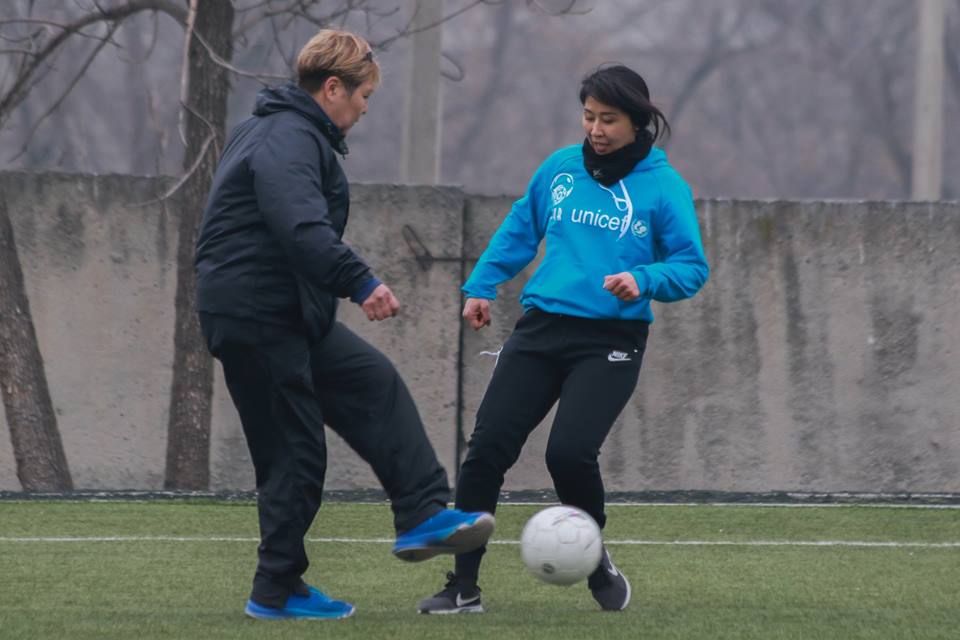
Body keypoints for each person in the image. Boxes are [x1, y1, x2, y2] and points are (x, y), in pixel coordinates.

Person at [194, 29, 494, 621]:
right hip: (257, 315)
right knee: (295, 454)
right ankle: (275, 589)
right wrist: (360, 281)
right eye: (363, 96)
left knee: (372, 383)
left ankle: (423, 514)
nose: (364, 109)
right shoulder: (286, 137)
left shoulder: (287, 133)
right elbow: (299, 225)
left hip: (289, 313)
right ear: (332, 88)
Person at [418, 64, 709, 614]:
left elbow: (692, 268)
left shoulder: (664, 186)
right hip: (542, 329)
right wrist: (481, 286)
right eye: (589, 116)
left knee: (569, 454)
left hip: (611, 339)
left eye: (609, 119)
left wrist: (644, 279)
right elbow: (519, 230)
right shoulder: (560, 169)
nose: (596, 129)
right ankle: (463, 586)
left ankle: (592, 557)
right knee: (486, 451)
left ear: (638, 121)